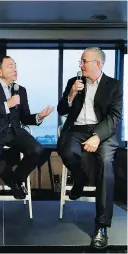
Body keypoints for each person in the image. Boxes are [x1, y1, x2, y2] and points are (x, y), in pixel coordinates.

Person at [0, 55, 54, 241]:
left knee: (37, 150)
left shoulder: (21, 90)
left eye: (16, 66)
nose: (15, 69)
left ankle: (16, 179)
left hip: (15, 132)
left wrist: (38, 117)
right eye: (10, 66)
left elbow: (25, 117)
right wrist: (6, 105)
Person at [57, 47, 123, 249]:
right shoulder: (74, 82)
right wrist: (71, 94)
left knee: (105, 163)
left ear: (97, 63)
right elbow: (61, 110)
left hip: (103, 130)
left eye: (84, 61)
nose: (80, 64)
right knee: (66, 151)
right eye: (80, 61)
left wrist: (97, 137)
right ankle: (80, 177)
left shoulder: (114, 85)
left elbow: (114, 117)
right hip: (76, 129)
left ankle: (102, 226)